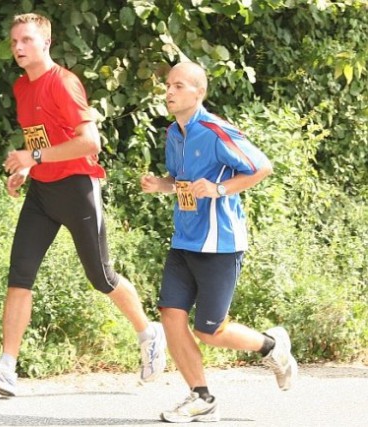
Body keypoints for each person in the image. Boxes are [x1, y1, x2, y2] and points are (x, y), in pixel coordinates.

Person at [0, 12, 166, 397]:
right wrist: (27, 167)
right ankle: (7, 367)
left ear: (46, 43)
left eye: (26, 40)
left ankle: (148, 332)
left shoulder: (64, 83)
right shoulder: (22, 88)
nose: (18, 48)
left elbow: (91, 143)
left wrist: (33, 158)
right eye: (14, 42)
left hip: (77, 188)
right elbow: (42, 139)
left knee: (102, 278)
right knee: (19, 276)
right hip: (42, 193)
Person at [140, 62, 298, 423]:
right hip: (184, 240)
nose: (170, 91)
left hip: (219, 243)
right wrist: (162, 186)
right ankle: (201, 397)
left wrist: (220, 189)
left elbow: (262, 166)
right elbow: (182, 181)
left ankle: (271, 345)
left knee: (210, 331)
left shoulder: (215, 130)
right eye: (168, 85)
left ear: (199, 93)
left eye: (179, 86)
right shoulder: (173, 133)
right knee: (170, 316)